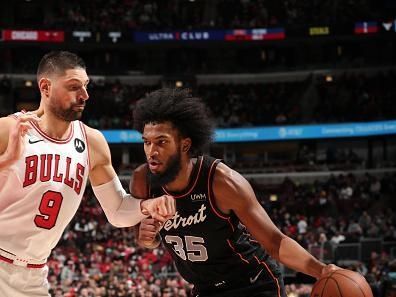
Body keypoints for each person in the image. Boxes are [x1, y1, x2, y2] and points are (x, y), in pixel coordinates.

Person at [0, 51, 175, 297]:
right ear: (46, 87)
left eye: (85, 86)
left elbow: (117, 212)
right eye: (74, 87)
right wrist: (6, 159)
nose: (84, 95)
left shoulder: (92, 142)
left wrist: (148, 205)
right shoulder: (9, 129)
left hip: (33, 275)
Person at [131, 88, 338, 297]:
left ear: (185, 145)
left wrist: (321, 270)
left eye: (161, 142)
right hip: (205, 289)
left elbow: (275, 242)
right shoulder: (142, 182)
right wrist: (148, 239)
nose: (151, 152)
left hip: (253, 284)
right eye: (147, 142)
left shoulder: (222, 182)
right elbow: (144, 237)